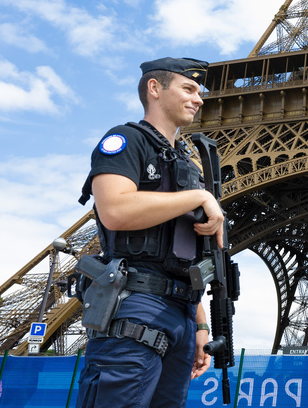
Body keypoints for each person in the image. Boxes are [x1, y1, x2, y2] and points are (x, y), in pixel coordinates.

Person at [75, 57, 225, 408]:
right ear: (155, 89)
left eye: (199, 91)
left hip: (182, 313)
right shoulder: (126, 140)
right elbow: (114, 210)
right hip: (137, 304)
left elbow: (182, 252)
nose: (199, 99)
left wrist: (200, 325)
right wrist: (200, 196)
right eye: (188, 88)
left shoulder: (188, 164)